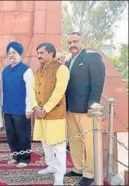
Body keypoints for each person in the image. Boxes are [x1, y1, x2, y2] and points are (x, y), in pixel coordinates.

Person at [65, 32, 105, 186]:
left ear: (82, 41)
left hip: (86, 110)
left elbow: (97, 83)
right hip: (71, 108)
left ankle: (90, 173)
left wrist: (92, 105)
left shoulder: (91, 57)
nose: (72, 45)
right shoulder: (68, 61)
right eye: (69, 42)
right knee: (75, 141)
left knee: (89, 142)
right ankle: (78, 168)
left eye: (75, 41)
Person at [31, 42, 70, 185]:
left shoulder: (61, 69)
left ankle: (60, 175)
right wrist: (35, 107)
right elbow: (32, 91)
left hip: (55, 114)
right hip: (40, 114)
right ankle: (51, 166)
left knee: (58, 146)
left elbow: (59, 92)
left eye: (41, 53)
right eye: (38, 53)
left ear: (51, 53)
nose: (39, 56)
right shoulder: (37, 71)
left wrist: (45, 109)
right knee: (45, 142)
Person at [2, 41, 34, 168]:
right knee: (11, 134)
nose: (11, 55)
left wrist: (29, 108)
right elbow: (4, 90)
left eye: (14, 52)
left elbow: (30, 91)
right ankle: (15, 156)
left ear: (19, 54)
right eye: (9, 53)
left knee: (22, 134)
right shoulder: (5, 71)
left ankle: (25, 158)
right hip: (8, 108)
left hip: (21, 109)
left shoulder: (26, 70)